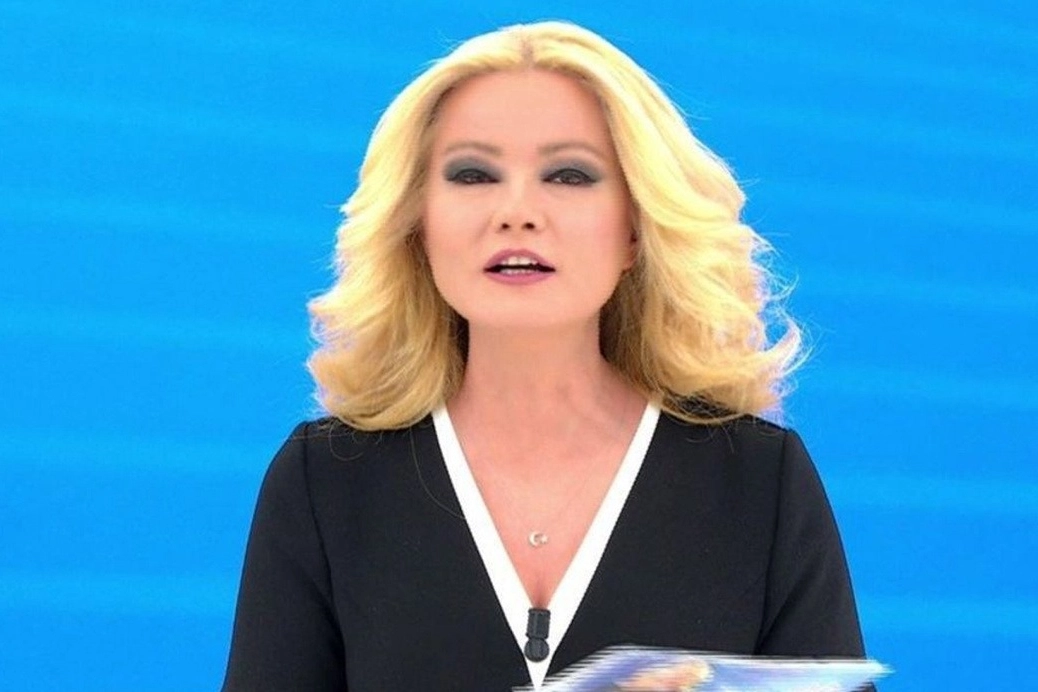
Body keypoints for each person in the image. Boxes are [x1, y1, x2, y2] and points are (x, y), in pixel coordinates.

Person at [222, 20, 871, 692]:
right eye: (473, 174)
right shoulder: (325, 483)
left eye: (568, 174)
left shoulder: (760, 483)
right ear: (418, 225)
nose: (517, 211)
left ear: (635, 229)